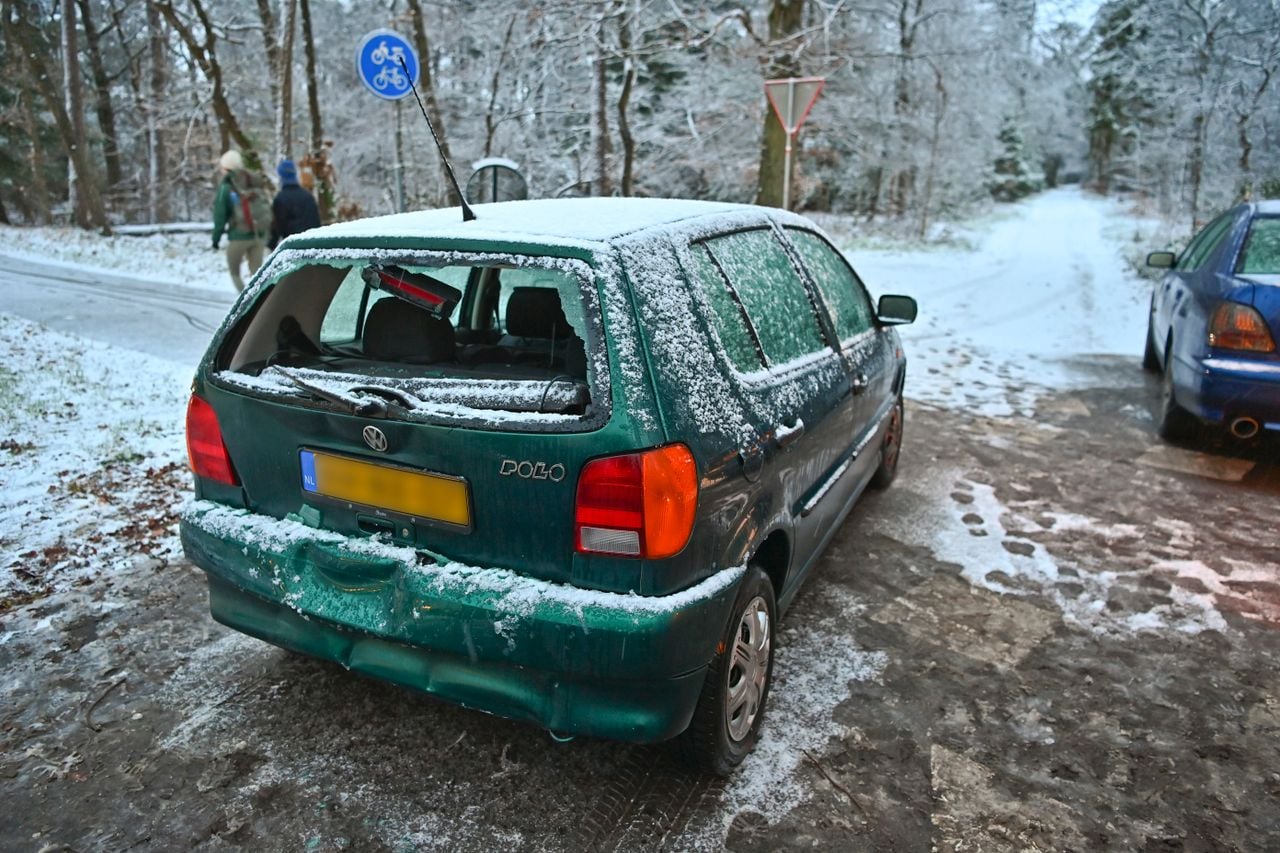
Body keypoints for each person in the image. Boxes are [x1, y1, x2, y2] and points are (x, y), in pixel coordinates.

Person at [211, 150, 267, 292]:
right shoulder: (252, 181)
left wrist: (215, 240)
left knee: (234, 272)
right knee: (258, 275)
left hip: (238, 237)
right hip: (258, 235)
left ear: (225, 168)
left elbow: (220, 216)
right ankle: (260, 303)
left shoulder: (226, 187)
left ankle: (244, 304)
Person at [268, 159, 322, 250]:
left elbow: (278, 225)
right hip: (313, 243)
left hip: (293, 245)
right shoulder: (308, 196)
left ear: (281, 177)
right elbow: (316, 220)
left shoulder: (280, 198)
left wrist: (271, 244)